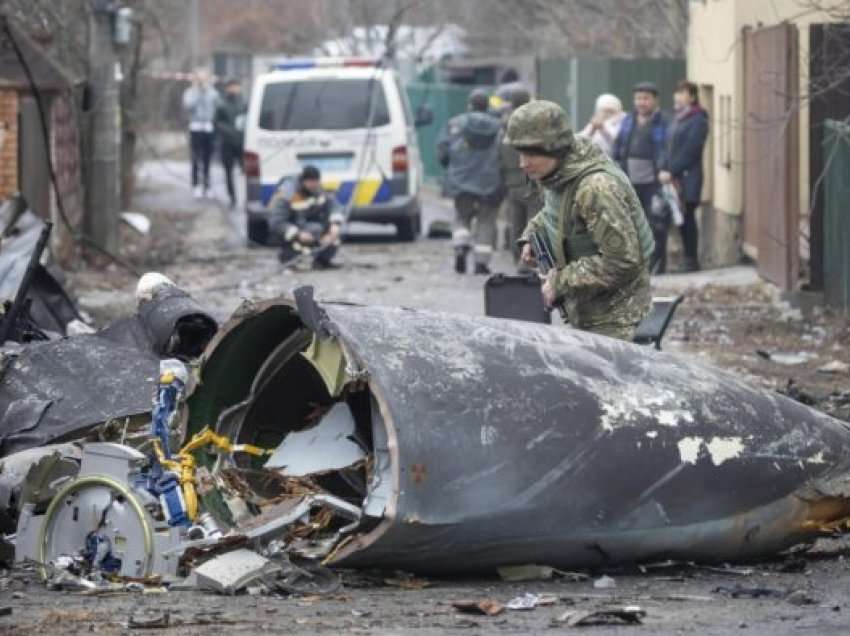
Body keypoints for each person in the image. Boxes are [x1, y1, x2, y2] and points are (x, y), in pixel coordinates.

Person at [505, 100, 654, 341]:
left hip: (616, 320)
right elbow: (557, 212)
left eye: (531, 154)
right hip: (589, 313)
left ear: (554, 148)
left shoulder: (596, 188)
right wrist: (532, 235)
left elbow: (622, 261)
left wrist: (559, 282)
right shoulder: (560, 174)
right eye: (520, 153)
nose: (523, 163)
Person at [436, 89, 504, 275]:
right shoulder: (499, 127)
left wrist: (451, 168)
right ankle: (481, 263)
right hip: (490, 181)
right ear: (487, 105)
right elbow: (505, 154)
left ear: (470, 104)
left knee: (462, 215)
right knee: (486, 220)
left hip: (461, 179)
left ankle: (460, 245)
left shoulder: (455, 124)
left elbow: (442, 150)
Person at [612, 82, 669, 273]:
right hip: (630, 180)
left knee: (656, 224)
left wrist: (665, 169)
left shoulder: (664, 121)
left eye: (645, 98)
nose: (641, 103)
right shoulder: (629, 119)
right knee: (632, 224)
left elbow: (668, 149)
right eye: (638, 98)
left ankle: (657, 266)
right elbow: (618, 146)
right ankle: (637, 265)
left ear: (655, 100)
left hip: (654, 182)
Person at [659, 80, 709, 272]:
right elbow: (667, 146)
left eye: (682, 93)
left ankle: (691, 260)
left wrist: (672, 171)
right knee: (679, 219)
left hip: (688, 178)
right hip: (672, 178)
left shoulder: (698, 119)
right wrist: (663, 168)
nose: (677, 97)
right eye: (677, 92)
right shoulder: (677, 118)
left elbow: (691, 150)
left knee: (687, 218)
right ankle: (684, 258)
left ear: (693, 97)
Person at [268, 165, 345, 269]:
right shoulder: (286, 194)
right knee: (295, 242)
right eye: (311, 182)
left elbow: (334, 205)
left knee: (333, 235)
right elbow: (276, 222)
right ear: (303, 181)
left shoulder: (318, 190)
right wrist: (297, 234)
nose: (314, 185)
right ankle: (289, 260)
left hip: (312, 228)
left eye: (316, 181)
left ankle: (321, 261)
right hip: (293, 231)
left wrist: (335, 224)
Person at [499, 88, 543, 266]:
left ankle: (517, 257)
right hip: (532, 179)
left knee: (515, 221)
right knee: (534, 221)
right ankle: (527, 263)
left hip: (513, 180)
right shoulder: (534, 123)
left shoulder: (504, 124)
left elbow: (499, 153)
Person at [182, 69, 220, 199]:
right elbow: (188, 106)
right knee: (195, 158)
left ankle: (207, 185)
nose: (202, 81)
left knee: (207, 159)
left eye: (204, 78)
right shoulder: (190, 92)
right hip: (196, 126)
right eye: (200, 78)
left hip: (208, 127)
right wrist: (199, 92)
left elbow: (217, 108)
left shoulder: (213, 93)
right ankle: (196, 185)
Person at [215, 78, 247, 209]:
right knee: (228, 172)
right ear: (227, 88)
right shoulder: (221, 104)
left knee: (247, 172)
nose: (234, 89)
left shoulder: (244, 103)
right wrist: (229, 131)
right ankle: (232, 197)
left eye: (236, 86)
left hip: (242, 143)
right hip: (227, 143)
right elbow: (217, 122)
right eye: (231, 87)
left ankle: (247, 198)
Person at [578, 93, 625, 158]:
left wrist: (603, 128)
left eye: (611, 111)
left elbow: (619, 141)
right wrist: (593, 129)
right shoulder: (595, 122)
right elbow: (580, 140)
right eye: (604, 111)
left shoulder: (624, 121)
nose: (607, 114)